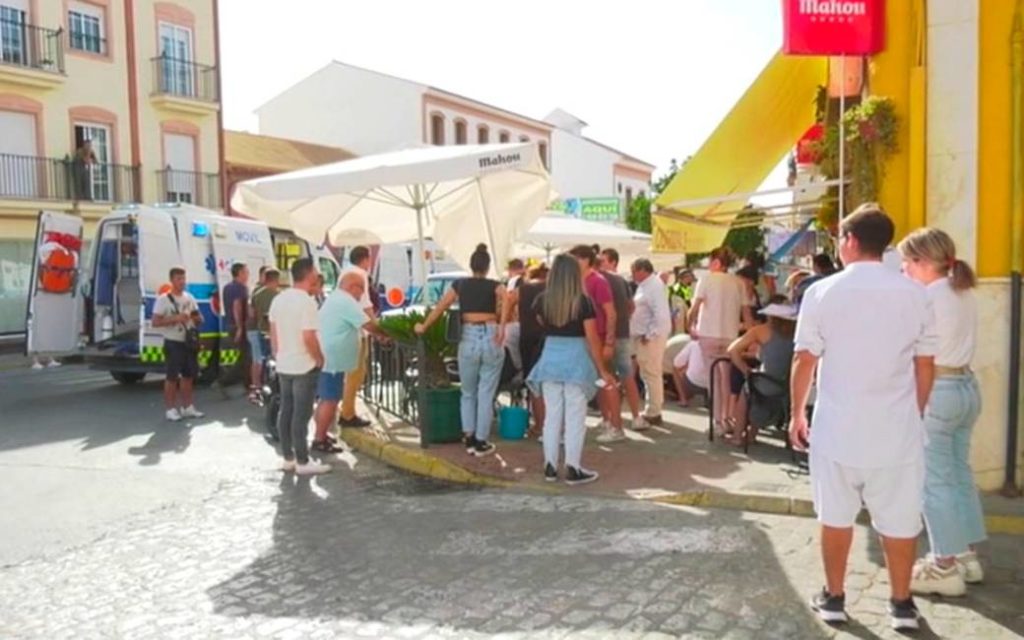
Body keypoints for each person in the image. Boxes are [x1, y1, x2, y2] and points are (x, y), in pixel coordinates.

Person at [790, 204, 937, 630]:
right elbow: (925, 363)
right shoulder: (916, 293)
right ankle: (901, 604)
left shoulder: (821, 292)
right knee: (900, 519)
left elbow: (805, 359)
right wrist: (916, 411)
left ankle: (834, 597)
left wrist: (797, 413)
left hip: (838, 427)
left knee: (835, 516)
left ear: (850, 241)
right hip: (896, 428)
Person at [899, 228, 986, 597]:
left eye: (906, 262)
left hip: (939, 391)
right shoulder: (960, 291)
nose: (903, 269)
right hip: (966, 387)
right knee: (958, 473)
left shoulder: (927, 298)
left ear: (921, 262)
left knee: (934, 481)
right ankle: (966, 555)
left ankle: (944, 564)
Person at [527, 254, 615, 485]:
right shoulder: (584, 302)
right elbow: (592, 338)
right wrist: (602, 370)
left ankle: (549, 465)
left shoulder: (542, 300)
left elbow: (540, 322)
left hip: (550, 358)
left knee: (552, 415)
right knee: (576, 416)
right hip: (576, 359)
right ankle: (573, 468)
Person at [416, 244, 506, 456]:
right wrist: (501, 325)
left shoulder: (460, 285)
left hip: (468, 336)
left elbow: (441, 306)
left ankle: (468, 436)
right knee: (486, 393)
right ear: (487, 266)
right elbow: (508, 297)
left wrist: (424, 326)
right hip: (491, 333)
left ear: (471, 265)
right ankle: (481, 440)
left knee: (468, 392)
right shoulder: (495, 285)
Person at [312, 272, 388, 455]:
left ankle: (321, 435)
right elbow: (368, 324)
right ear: (352, 286)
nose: (362, 293)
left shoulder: (336, 299)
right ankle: (319, 438)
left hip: (331, 358)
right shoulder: (345, 302)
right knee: (330, 400)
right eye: (361, 288)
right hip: (332, 360)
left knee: (328, 399)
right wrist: (386, 334)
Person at [269, 258, 330, 476]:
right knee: (301, 415)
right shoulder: (307, 303)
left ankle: (288, 457)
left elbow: (273, 333)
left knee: (286, 411)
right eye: (315, 270)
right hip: (304, 364)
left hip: (284, 363)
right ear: (309, 274)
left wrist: (278, 355)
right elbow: (308, 336)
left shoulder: (278, 300)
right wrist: (319, 358)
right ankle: (303, 461)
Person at [687, 247, 753, 430]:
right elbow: (746, 313)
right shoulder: (738, 282)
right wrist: (751, 338)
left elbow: (694, 308)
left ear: (716, 262)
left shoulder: (705, 280)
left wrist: (690, 326)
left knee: (713, 378)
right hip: (730, 336)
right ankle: (727, 417)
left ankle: (717, 420)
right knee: (726, 377)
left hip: (708, 334)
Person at [724, 301, 796, 443]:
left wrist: (745, 370)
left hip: (766, 381)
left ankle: (737, 436)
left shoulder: (761, 331)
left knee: (748, 388)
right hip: (788, 385)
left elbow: (732, 350)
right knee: (756, 383)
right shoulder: (797, 333)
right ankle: (751, 435)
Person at [568, 245, 619, 438]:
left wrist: (609, 342)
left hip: (598, 337)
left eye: (575, 259)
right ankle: (607, 420)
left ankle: (616, 426)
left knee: (606, 380)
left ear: (585, 260)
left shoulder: (598, 281)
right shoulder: (579, 281)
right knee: (599, 381)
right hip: (585, 338)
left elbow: (611, 313)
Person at [598, 248, 643, 441]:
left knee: (604, 377)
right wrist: (624, 318)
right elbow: (631, 306)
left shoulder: (596, 280)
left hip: (605, 336)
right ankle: (636, 417)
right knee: (627, 376)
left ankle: (608, 419)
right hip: (623, 333)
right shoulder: (621, 280)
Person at [151, 267, 204, 422]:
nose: (182, 282)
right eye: (178, 279)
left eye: (183, 278)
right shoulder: (163, 300)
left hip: (188, 342)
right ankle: (170, 409)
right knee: (172, 377)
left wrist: (195, 319)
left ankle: (188, 407)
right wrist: (175, 318)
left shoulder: (189, 297)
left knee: (188, 376)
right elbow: (155, 322)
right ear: (172, 280)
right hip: (173, 342)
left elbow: (198, 316)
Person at [630, 258, 673, 428]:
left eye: (634, 271)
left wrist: (650, 334)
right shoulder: (647, 285)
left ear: (642, 270)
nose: (632, 275)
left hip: (650, 337)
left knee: (651, 373)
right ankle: (653, 409)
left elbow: (661, 315)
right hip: (645, 335)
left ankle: (654, 411)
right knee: (648, 373)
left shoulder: (654, 286)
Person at [339, 246, 377, 428]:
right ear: (366, 259)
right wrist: (377, 327)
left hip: (345, 329)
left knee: (353, 373)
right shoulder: (359, 274)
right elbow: (365, 304)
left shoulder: (345, 272)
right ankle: (347, 414)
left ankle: (347, 409)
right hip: (356, 330)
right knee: (356, 372)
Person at [509, 263, 548, 437]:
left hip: (527, 339)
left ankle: (539, 425)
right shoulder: (552, 288)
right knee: (549, 385)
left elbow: (508, 303)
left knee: (533, 384)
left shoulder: (523, 289)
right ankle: (547, 425)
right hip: (548, 338)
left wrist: (506, 321)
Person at [248, 268, 280, 402]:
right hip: (274, 333)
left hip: (260, 331)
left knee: (262, 360)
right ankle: (273, 388)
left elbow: (251, 314)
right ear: (276, 280)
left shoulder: (256, 294)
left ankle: (260, 388)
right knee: (274, 361)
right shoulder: (277, 295)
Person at [221, 262, 250, 396]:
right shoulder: (240, 288)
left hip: (229, 324)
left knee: (244, 355)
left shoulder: (227, 287)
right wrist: (240, 327)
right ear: (240, 273)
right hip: (238, 325)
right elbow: (236, 306)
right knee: (246, 356)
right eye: (246, 272)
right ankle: (225, 381)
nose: (248, 275)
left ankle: (245, 384)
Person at [672, 339, 707, 406]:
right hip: (713, 385)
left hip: (693, 383)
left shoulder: (693, 344)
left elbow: (676, 363)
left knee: (675, 368)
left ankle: (683, 399)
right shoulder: (721, 345)